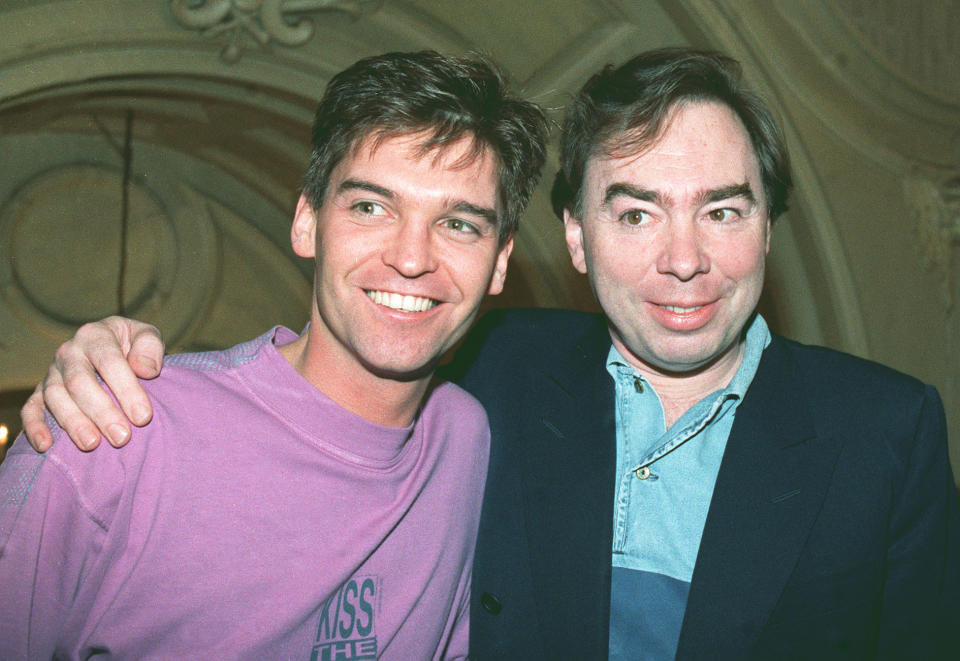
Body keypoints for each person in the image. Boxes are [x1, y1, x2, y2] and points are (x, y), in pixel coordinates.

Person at [19, 48, 960, 659]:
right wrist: (110, 357)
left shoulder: (887, 430)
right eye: (635, 211)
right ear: (574, 241)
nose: (683, 259)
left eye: (722, 208)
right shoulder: (494, 385)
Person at [0, 50, 547, 659]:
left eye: (460, 225)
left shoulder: (468, 440)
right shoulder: (115, 430)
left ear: (499, 261)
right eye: (371, 207)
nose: (412, 257)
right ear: (307, 222)